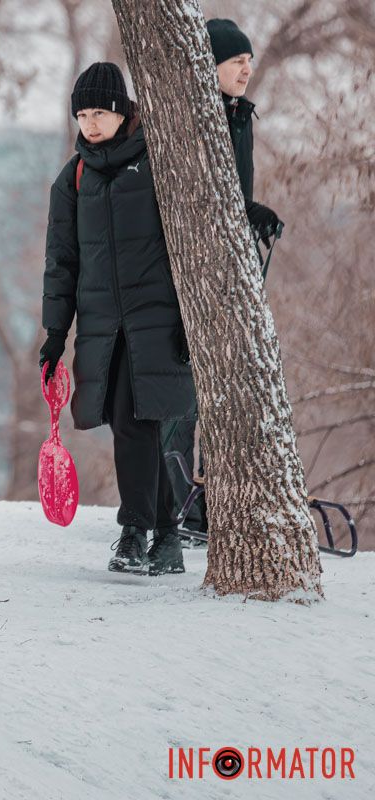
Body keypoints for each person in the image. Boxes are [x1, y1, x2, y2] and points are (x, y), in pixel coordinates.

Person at [40, 63, 196, 576]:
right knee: (133, 423)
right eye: (82, 114)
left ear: (122, 110)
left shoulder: (155, 163)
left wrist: (191, 322)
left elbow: (188, 248)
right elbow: (62, 263)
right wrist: (55, 335)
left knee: (142, 422)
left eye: (100, 112)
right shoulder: (74, 178)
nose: (90, 123)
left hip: (158, 320)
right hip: (105, 326)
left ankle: (146, 531)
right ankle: (153, 534)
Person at [162, 18, 284, 533]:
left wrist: (253, 213)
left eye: (249, 61)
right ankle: (179, 504)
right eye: (237, 61)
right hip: (185, 273)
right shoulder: (193, 117)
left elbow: (230, 193)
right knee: (182, 391)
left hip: (230, 272)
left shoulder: (240, 116)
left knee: (226, 390)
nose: (247, 70)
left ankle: (215, 503)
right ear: (210, 65)